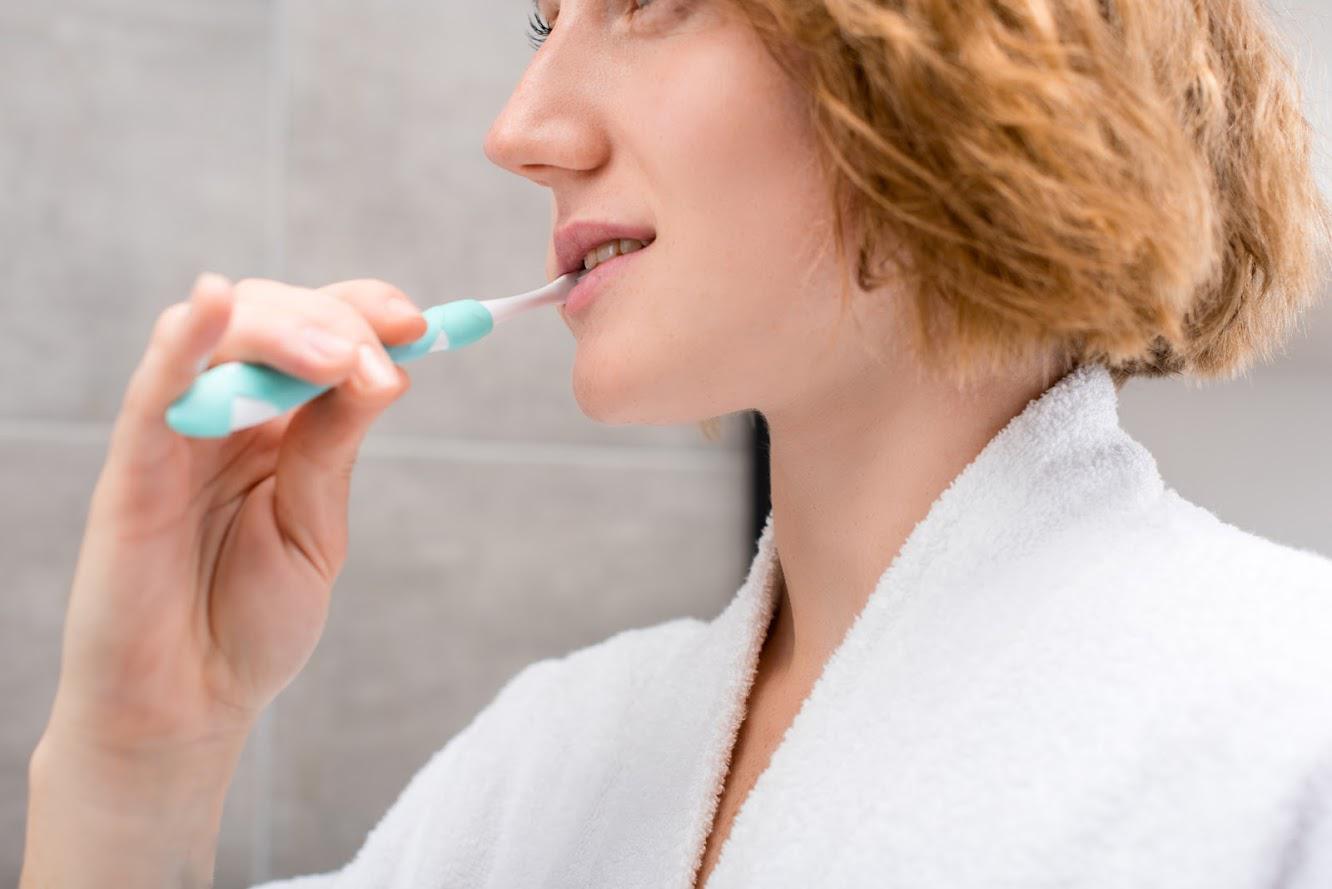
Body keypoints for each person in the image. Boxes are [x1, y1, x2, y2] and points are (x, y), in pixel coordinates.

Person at [20, 0, 1332, 886]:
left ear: (955, 59)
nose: (521, 130)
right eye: (543, 22)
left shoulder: (1292, 726)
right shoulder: (539, 765)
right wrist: (141, 757)